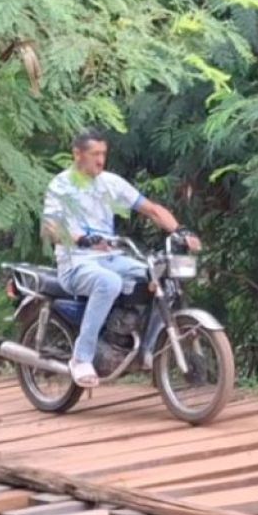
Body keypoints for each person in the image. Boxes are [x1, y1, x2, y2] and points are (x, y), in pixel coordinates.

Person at [41, 129, 201, 389]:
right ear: (77, 154)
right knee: (109, 283)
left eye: (104, 154)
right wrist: (80, 238)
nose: (101, 160)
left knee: (161, 275)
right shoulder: (61, 185)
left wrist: (180, 231)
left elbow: (151, 209)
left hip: (111, 257)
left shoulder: (110, 182)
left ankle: (148, 351)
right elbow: (51, 228)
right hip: (76, 262)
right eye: (95, 154)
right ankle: (81, 358)